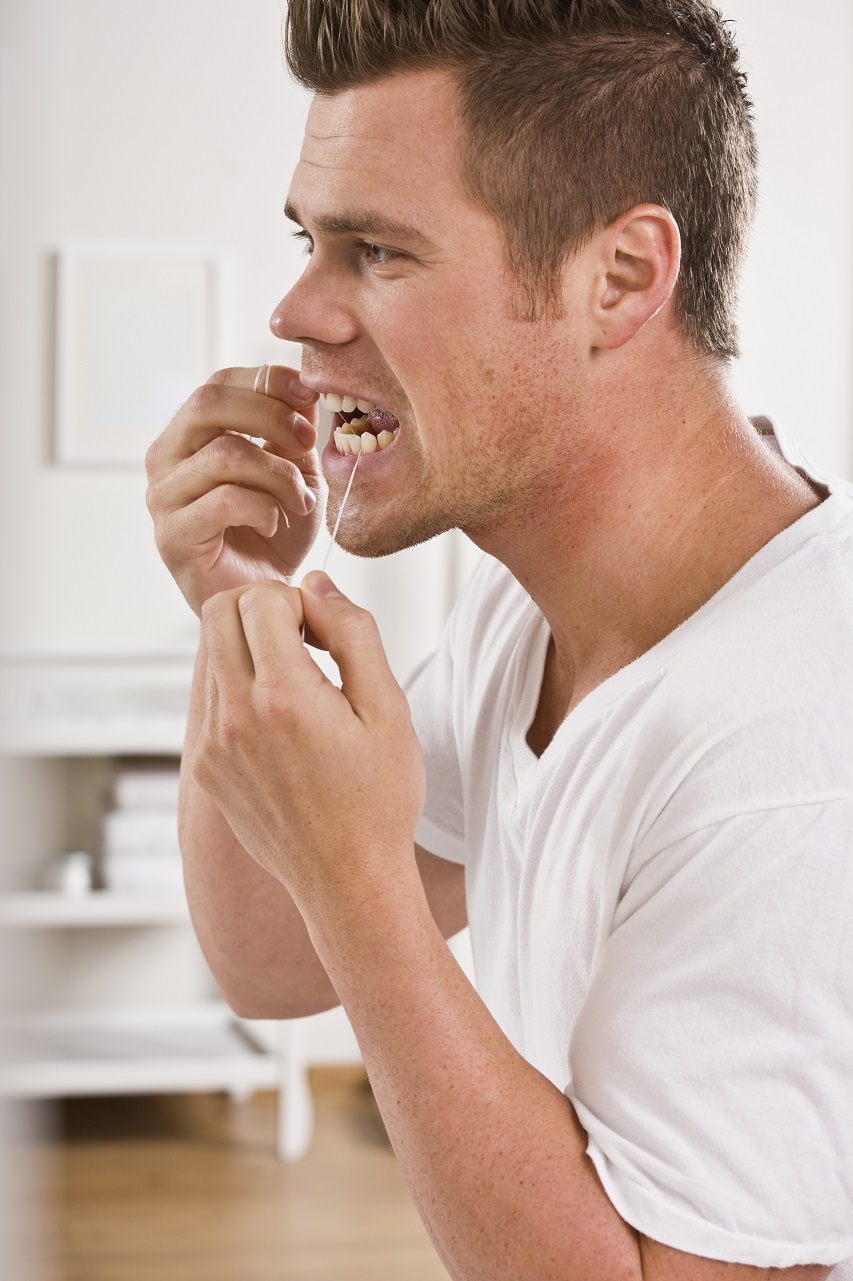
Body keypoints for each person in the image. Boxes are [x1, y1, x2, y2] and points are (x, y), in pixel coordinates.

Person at [144, 1, 853, 1276]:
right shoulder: (536, 611)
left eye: (374, 251)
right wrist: (237, 599)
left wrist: (359, 882)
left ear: (621, 279)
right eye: (309, 240)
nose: (298, 312)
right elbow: (269, 961)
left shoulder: (791, 755)